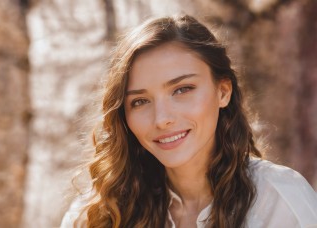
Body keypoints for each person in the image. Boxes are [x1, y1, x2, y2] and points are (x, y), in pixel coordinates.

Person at [60, 14, 317, 228]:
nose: (162, 119)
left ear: (223, 91)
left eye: (182, 89)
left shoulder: (280, 199)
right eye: (140, 101)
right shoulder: (95, 214)